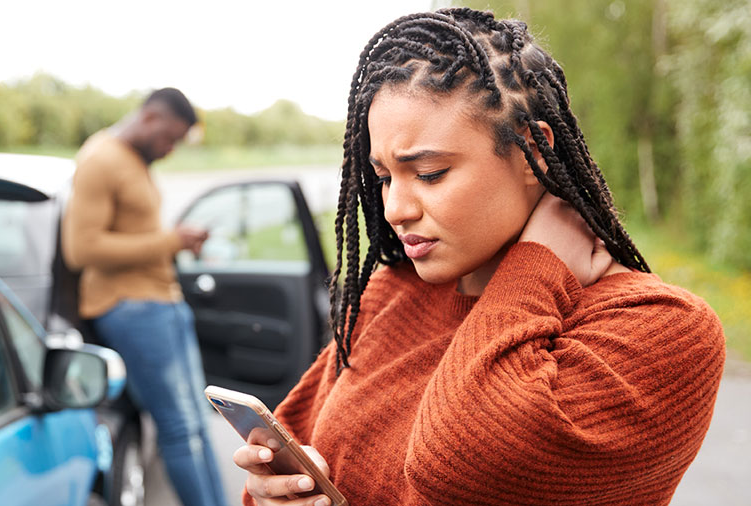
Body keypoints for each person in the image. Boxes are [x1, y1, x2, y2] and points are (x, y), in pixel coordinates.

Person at [234, 8, 726, 506]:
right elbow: (294, 448)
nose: (394, 210)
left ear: (532, 151)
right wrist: (276, 495)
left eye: (428, 173)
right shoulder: (393, 290)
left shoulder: (664, 330)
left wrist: (537, 266)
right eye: (383, 177)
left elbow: (460, 466)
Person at [61, 88, 228, 506]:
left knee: (197, 423)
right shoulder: (101, 158)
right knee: (179, 428)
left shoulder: (134, 160)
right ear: (151, 118)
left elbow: (137, 234)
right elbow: (80, 249)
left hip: (161, 304)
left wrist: (174, 242)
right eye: (168, 138)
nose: (169, 150)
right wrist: (170, 241)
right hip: (132, 308)